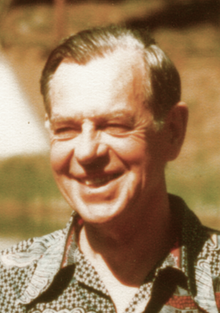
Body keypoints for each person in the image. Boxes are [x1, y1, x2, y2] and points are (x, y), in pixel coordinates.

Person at [0, 24, 220, 313]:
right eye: (66, 129)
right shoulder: (7, 285)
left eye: (114, 125)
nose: (87, 151)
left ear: (173, 131)